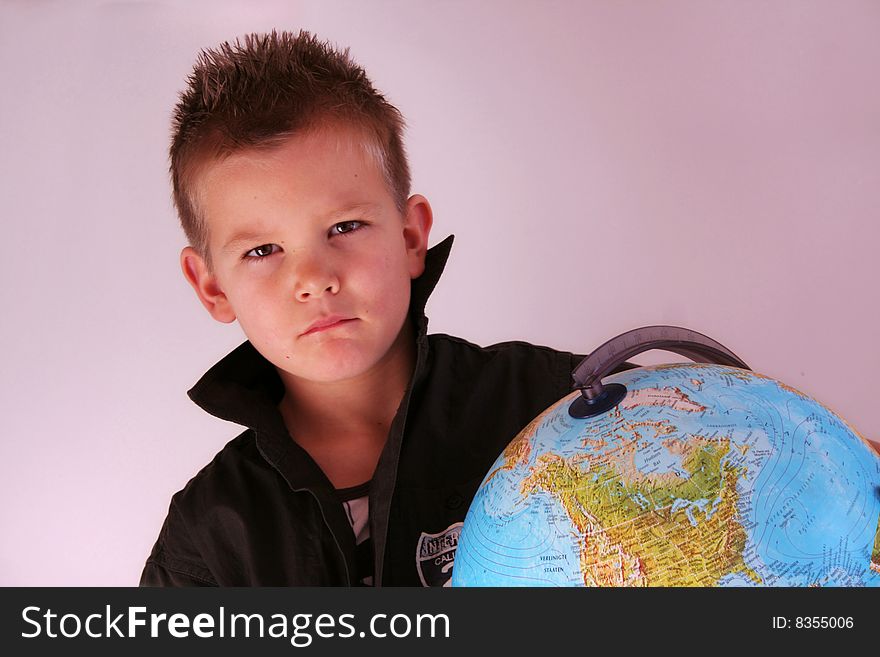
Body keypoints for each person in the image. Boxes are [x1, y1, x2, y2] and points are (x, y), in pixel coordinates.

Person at [140, 30, 621, 587]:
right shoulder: (209, 540)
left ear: (411, 236)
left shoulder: (567, 407)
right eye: (262, 250)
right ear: (213, 287)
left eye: (345, 227)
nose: (314, 279)